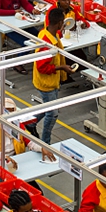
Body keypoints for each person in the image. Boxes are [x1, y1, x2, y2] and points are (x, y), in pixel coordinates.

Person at [33, 8, 69, 142]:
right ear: (59, 23)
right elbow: (42, 67)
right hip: (46, 83)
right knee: (52, 114)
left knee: (47, 106)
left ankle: (30, 123)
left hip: (51, 81)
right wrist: (62, 67)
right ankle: (45, 142)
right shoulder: (46, 44)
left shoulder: (48, 33)